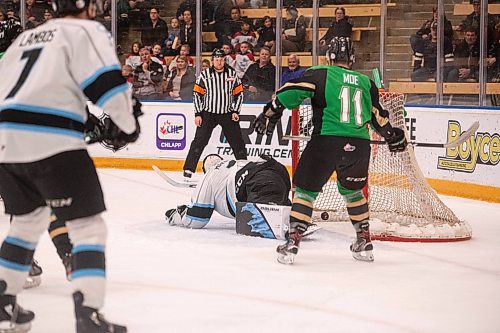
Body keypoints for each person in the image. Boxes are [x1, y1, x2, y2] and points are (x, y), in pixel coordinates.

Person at [0, 0, 142, 330]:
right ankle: (88, 315)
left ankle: (4, 304)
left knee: (26, 221)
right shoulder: (85, 29)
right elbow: (105, 85)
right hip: (51, 144)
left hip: (5, 144)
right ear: (89, 6)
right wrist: (127, 125)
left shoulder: (26, 38)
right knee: (88, 227)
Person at [252, 36, 408, 265]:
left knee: (305, 191)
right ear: (352, 58)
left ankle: (293, 241)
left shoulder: (321, 73)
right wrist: (391, 135)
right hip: (359, 146)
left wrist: (272, 110)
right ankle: (363, 241)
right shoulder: (366, 82)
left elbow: (293, 89)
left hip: (326, 141)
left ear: (329, 56)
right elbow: (378, 115)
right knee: (353, 192)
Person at [166, 155, 291, 229]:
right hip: (277, 171)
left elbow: (196, 219)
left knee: (264, 221)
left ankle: (281, 220)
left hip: (256, 182)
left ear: (205, 170)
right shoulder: (235, 164)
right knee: (278, 200)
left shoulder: (209, 175)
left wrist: (177, 215)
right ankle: (297, 214)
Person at [183, 48, 247, 179]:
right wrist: (198, 114)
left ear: (224, 60)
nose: (219, 62)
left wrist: (235, 111)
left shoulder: (232, 74)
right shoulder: (205, 75)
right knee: (199, 141)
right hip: (208, 114)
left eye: (221, 59)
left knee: (237, 141)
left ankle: (243, 167)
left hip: (227, 113)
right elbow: (197, 95)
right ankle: (188, 169)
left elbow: (239, 93)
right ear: (213, 61)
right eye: (216, 59)